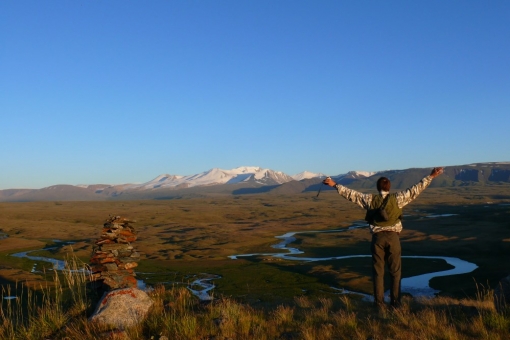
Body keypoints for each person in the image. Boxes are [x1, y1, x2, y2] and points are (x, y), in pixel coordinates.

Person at [322, 167, 444, 308]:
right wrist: (431, 176)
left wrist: (335, 185)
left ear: (377, 187)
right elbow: (415, 190)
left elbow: (351, 194)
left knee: (378, 273)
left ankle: (379, 303)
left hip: (377, 239)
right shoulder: (398, 199)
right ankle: (396, 303)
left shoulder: (369, 199)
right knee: (395, 272)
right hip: (393, 238)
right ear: (389, 187)